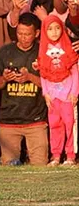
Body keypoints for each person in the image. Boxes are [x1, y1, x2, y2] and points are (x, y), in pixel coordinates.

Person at [0, 13, 48, 166]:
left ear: (36, 33)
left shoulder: (43, 51)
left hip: (36, 120)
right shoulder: (5, 51)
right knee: (9, 167)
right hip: (9, 120)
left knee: (40, 165)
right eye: (19, 33)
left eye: (27, 34)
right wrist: (5, 78)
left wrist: (30, 77)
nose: (23, 38)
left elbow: (51, 84)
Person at [37, 15, 78, 166]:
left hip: (67, 96)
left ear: (62, 29)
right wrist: (46, 93)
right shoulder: (43, 49)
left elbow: (75, 72)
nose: (54, 32)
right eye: (49, 29)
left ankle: (70, 155)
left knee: (70, 125)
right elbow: (43, 73)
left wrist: (74, 93)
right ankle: (56, 155)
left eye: (57, 28)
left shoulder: (68, 47)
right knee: (55, 125)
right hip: (53, 97)